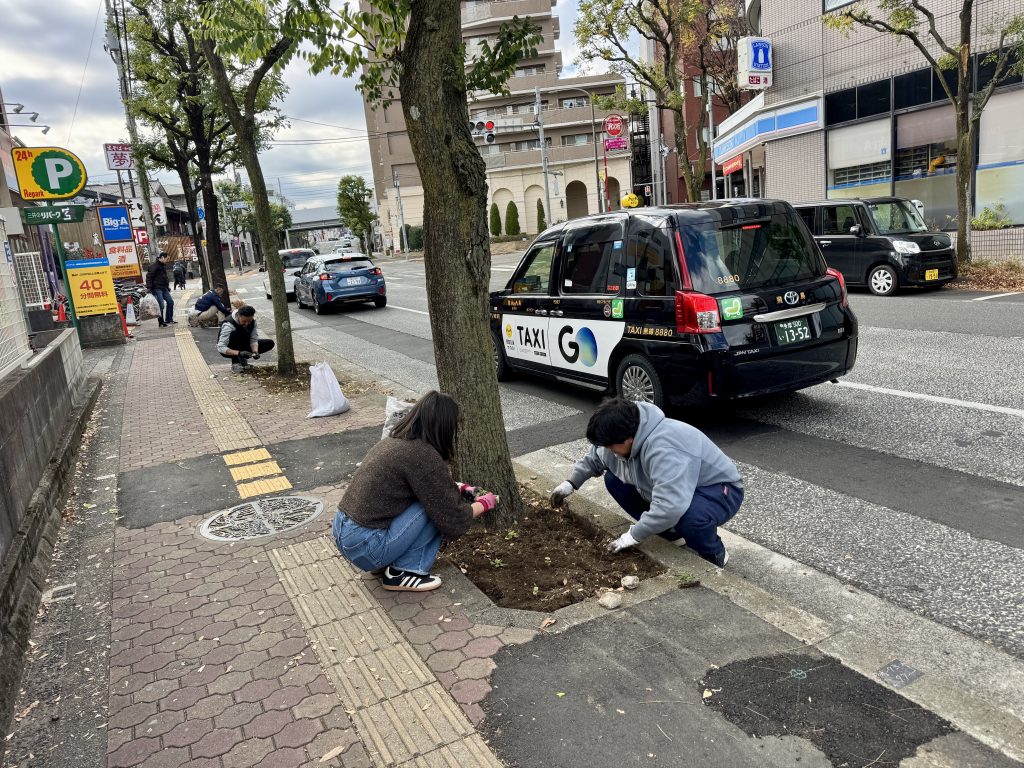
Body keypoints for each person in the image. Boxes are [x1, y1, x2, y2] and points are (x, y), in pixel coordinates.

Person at [332, 391, 496, 591]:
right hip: (366, 545)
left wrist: (459, 487)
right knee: (434, 506)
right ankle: (404, 572)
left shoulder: (395, 441)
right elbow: (452, 517)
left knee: (432, 497)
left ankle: (384, 561)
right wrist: (484, 503)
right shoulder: (423, 455)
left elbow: (422, 484)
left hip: (344, 533)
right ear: (444, 427)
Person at [550, 398, 743, 567]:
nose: (608, 450)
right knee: (614, 480)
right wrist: (571, 483)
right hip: (678, 487)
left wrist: (633, 536)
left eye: (610, 446)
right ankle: (671, 533)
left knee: (688, 516)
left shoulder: (664, 448)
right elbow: (595, 457)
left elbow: (670, 506)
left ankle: (713, 553)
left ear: (629, 439)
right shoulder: (618, 434)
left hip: (718, 489)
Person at [217, 305, 275, 373]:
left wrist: (255, 351)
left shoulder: (253, 321)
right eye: (244, 321)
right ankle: (236, 363)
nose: (247, 323)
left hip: (243, 344)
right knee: (235, 334)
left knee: (269, 343)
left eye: (249, 321)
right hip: (229, 348)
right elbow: (221, 347)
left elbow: (253, 339)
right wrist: (239, 353)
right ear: (238, 316)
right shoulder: (228, 325)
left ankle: (243, 359)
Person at [145, 252, 175, 327]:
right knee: (161, 305)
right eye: (167, 259)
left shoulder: (163, 265)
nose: (167, 260)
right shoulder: (153, 266)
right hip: (156, 288)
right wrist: (149, 287)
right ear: (162, 257)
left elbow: (165, 277)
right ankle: (161, 322)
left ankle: (169, 319)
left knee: (170, 302)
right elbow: (149, 277)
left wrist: (167, 287)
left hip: (164, 288)